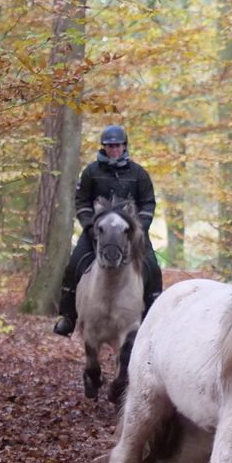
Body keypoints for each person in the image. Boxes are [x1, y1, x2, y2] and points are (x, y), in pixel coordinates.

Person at [53, 124, 163, 337]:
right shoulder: (91, 172)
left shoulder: (138, 173)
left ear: (124, 146)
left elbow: (148, 203)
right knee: (74, 264)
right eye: (110, 146)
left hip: (131, 233)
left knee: (152, 266)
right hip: (98, 232)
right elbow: (82, 201)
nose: (114, 149)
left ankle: (153, 316)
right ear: (104, 147)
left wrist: (138, 228)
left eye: (118, 146)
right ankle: (68, 316)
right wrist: (89, 226)